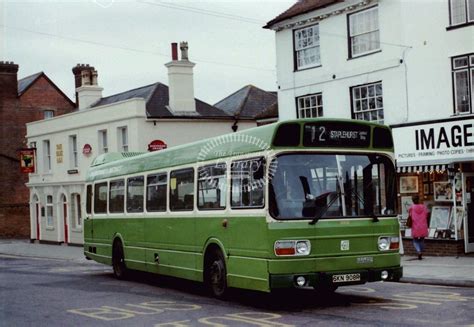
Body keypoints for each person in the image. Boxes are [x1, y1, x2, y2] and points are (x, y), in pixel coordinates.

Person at [408, 195, 429, 260]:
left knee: (415, 240)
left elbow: (410, 216)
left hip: (415, 226)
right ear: (418, 199)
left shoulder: (411, 208)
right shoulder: (424, 207)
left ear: (413, 200)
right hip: (423, 226)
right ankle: (421, 250)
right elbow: (427, 215)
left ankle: (419, 251)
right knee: (422, 239)